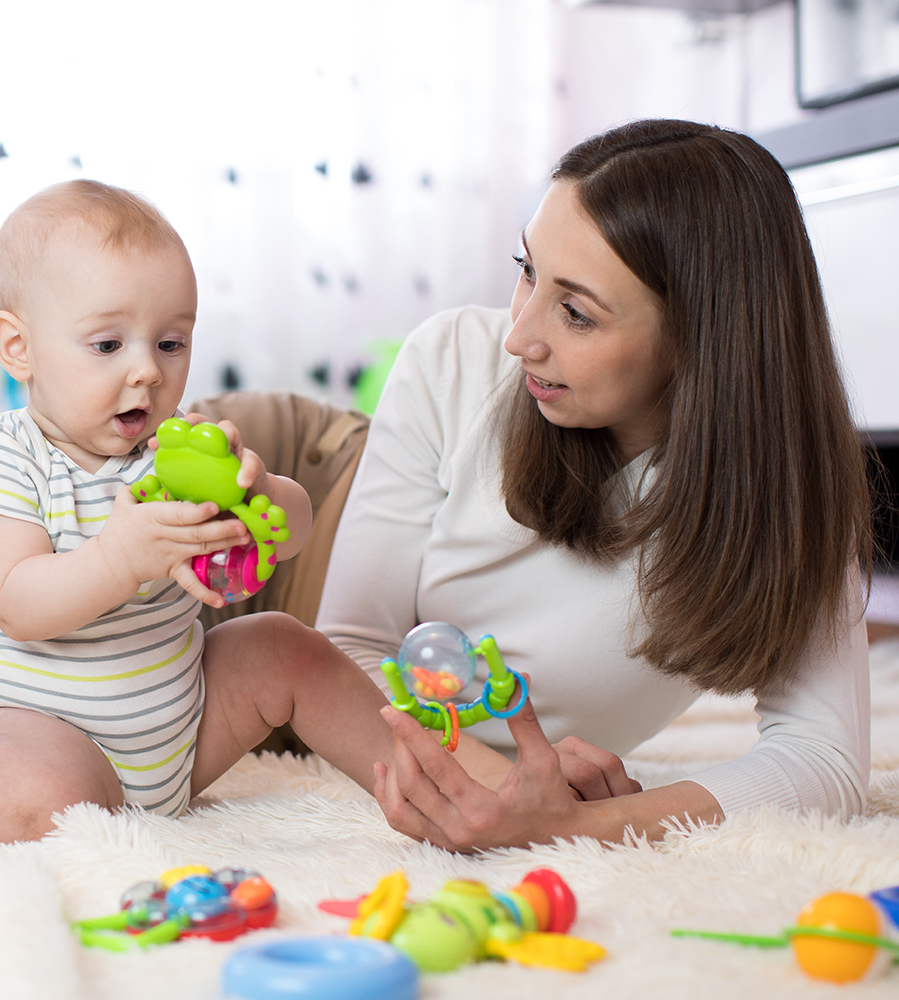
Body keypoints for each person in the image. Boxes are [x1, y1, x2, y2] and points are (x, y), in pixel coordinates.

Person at [316, 119, 873, 851]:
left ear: (702, 339)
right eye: (526, 270)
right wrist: (499, 784)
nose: (520, 336)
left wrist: (587, 825)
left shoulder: (782, 489)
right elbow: (343, 651)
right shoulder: (453, 359)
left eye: (575, 312)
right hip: (291, 507)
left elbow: (824, 759)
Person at [0, 179, 401, 844]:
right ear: (18, 348)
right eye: (108, 345)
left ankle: (426, 780)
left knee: (284, 645)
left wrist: (256, 495)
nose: (147, 371)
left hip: (184, 730)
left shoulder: (173, 455)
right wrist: (118, 558)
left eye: (170, 343)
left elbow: (295, 533)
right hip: (47, 733)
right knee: (29, 805)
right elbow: (16, 604)